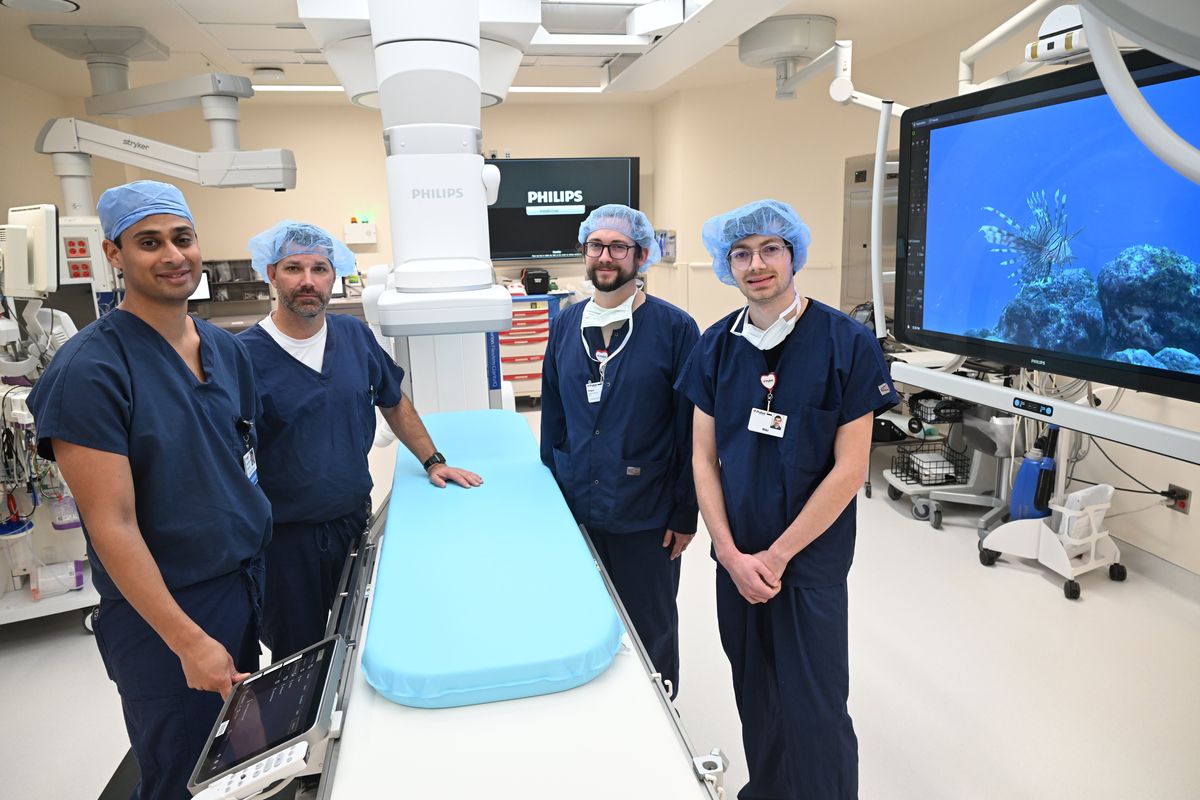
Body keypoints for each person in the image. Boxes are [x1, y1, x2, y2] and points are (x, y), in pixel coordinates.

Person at [28, 180, 271, 799]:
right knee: (182, 772)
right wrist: (188, 640)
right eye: (149, 243)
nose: (172, 255)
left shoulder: (225, 350)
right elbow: (111, 525)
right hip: (164, 609)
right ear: (114, 254)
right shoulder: (90, 370)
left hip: (238, 586)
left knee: (240, 757)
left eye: (182, 239)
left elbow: (237, 459)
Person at [676, 199, 899, 799]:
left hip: (806, 567)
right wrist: (728, 552)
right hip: (737, 558)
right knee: (756, 693)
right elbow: (703, 457)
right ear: (728, 266)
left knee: (816, 706)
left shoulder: (846, 343)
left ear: (793, 254)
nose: (757, 264)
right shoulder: (716, 347)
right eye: (741, 254)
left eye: (770, 249)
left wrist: (774, 558)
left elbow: (850, 471)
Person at [238, 221, 482, 660]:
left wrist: (432, 459)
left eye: (320, 268)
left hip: (351, 522)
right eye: (294, 268)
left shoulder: (353, 336)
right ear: (271, 274)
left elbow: (393, 400)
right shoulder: (241, 356)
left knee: (357, 637)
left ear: (336, 276)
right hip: (285, 544)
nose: (309, 281)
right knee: (301, 657)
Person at [540, 204, 700, 697]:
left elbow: (691, 429)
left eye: (618, 246)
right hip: (578, 502)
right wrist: (549, 495)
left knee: (649, 625)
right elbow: (554, 415)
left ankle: (661, 710)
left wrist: (685, 510)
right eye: (596, 246)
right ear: (584, 252)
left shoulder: (675, 329)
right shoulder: (567, 323)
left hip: (646, 512)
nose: (605, 256)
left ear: (641, 255)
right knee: (585, 613)